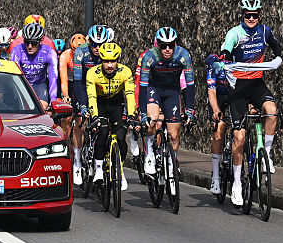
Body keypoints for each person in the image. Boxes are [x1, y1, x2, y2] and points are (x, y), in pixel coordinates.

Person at [215, 0, 283, 206]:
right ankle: (236, 184)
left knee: (271, 111)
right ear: (243, 15)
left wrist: (278, 58)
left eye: (255, 15)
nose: (251, 18)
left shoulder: (264, 31)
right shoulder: (235, 33)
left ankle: (267, 156)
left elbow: (276, 47)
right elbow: (225, 52)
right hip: (237, 88)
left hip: (256, 84)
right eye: (248, 15)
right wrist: (225, 64)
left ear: (260, 15)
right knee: (240, 137)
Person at [139, 27, 195, 177]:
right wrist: (143, 113)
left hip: (172, 92)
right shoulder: (149, 57)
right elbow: (143, 86)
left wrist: (190, 109)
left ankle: (172, 163)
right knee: (152, 121)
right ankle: (150, 153)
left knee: (173, 134)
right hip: (153, 89)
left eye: (171, 45)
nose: (168, 49)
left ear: (175, 44)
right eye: (164, 46)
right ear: (158, 45)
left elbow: (190, 85)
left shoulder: (183, 55)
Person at [84, 42, 135, 187]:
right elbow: (92, 97)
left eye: (113, 61)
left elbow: (130, 95)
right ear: (101, 60)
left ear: (118, 60)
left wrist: (131, 115)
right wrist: (94, 117)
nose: (110, 65)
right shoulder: (92, 73)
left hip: (117, 103)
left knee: (120, 136)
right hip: (99, 103)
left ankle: (120, 171)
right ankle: (99, 170)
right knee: (103, 131)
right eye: (106, 61)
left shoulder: (125, 72)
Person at [69, 25, 109, 184]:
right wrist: (82, 105)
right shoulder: (81, 52)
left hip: (101, 89)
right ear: (89, 41)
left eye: (101, 44)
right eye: (94, 44)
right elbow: (77, 82)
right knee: (80, 124)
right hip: (82, 87)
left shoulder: (109, 52)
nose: (97, 48)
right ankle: (77, 161)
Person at [9, 22, 58, 109]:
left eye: (34, 43)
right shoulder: (17, 50)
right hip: (21, 84)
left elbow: (53, 78)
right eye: (27, 42)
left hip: (39, 85)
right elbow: (15, 76)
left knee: (43, 107)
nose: (30, 46)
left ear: (40, 42)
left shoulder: (49, 52)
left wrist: (53, 101)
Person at [205, 48, 232, 195]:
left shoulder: (243, 61)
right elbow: (211, 91)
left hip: (234, 95)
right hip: (218, 96)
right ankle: (215, 177)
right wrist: (216, 110)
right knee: (220, 128)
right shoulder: (214, 62)